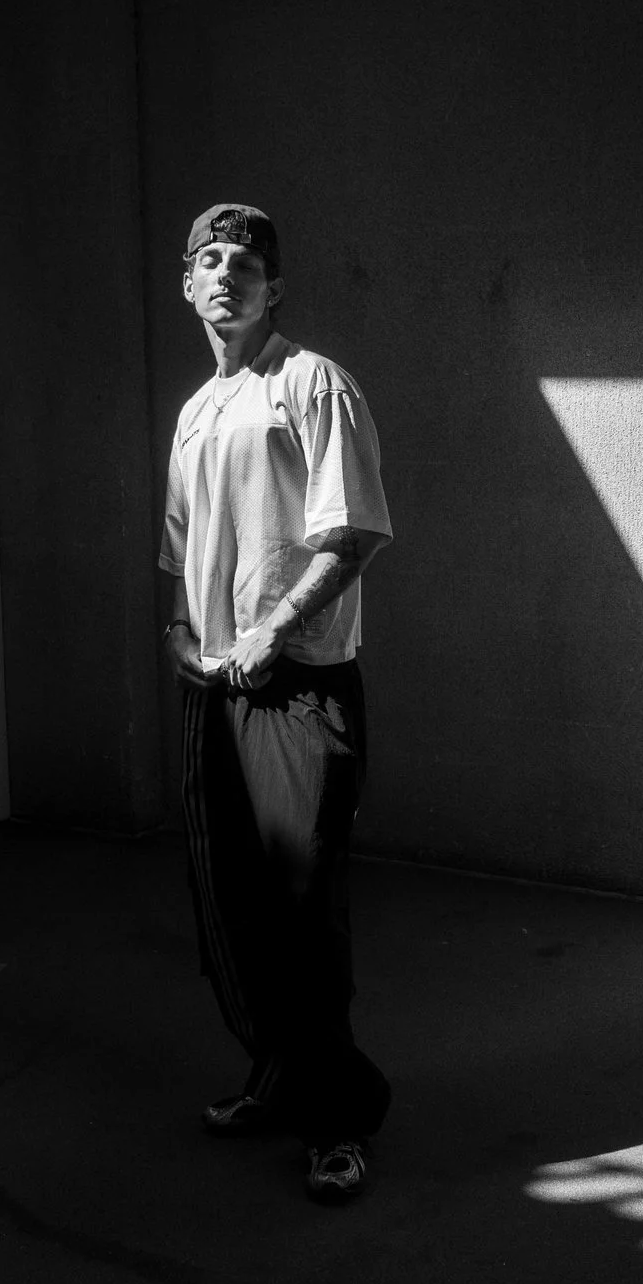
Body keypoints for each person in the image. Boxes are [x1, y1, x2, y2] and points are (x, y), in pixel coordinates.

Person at [157, 202, 395, 1204]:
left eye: (246, 262)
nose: (226, 273)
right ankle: (277, 1071)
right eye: (208, 259)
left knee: (301, 911)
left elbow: (355, 533)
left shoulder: (310, 382)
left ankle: (337, 1120)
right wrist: (180, 629)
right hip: (213, 691)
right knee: (234, 910)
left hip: (297, 694)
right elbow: (179, 550)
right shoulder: (196, 410)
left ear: (275, 287)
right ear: (187, 284)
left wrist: (271, 630)